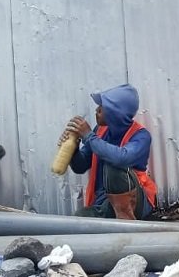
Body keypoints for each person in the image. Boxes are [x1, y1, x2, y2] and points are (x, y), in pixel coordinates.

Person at [63, 84, 158, 220]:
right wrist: (73, 148)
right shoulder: (99, 131)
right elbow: (80, 166)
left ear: (115, 113)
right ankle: (109, 217)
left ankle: (126, 220)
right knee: (79, 218)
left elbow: (121, 159)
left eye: (102, 106)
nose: (97, 110)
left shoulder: (141, 136)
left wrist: (88, 136)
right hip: (104, 205)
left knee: (113, 164)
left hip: (136, 203)